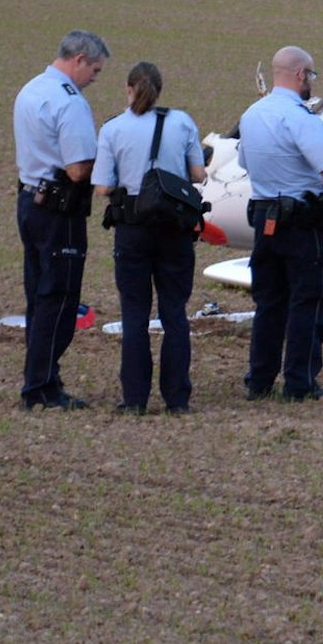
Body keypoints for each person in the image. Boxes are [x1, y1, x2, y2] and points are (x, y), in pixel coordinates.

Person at [93, 61, 206, 415]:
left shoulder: (113, 128)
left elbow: (103, 188)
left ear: (128, 89)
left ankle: (135, 398)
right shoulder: (182, 122)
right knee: (175, 314)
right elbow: (198, 174)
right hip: (174, 229)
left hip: (132, 230)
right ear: (160, 89)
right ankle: (177, 398)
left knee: (134, 314)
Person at [237, 46, 323, 402]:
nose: (312, 83)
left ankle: (260, 380)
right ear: (300, 74)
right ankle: (300, 382)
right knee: (308, 301)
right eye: (311, 75)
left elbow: (244, 161)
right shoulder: (302, 118)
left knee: (269, 302)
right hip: (301, 221)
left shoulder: (251, 115)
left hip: (264, 217)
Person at [14, 30, 108, 410]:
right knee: (60, 299)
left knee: (38, 296)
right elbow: (77, 169)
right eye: (95, 71)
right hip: (59, 211)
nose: (94, 80)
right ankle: (40, 387)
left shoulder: (32, 88)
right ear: (80, 59)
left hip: (29, 200)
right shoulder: (70, 103)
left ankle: (43, 379)